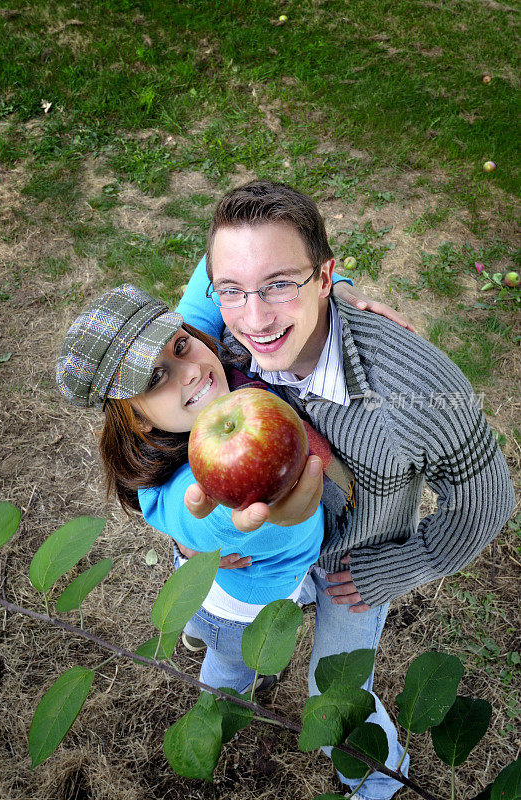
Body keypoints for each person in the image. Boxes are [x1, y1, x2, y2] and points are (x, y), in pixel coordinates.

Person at [176, 179, 516, 799]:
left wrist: (397, 566)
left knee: (331, 697)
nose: (255, 318)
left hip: (353, 561)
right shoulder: (217, 347)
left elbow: (487, 500)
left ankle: (376, 784)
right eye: (234, 291)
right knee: (229, 644)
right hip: (269, 550)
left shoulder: (415, 390)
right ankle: (217, 658)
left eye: (281, 283)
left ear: (326, 275)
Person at [56, 283, 328, 695]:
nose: (191, 371)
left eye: (180, 346)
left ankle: (197, 633)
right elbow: (206, 517)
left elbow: (216, 267)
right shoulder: (183, 484)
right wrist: (238, 504)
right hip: (243, 613)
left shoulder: (205, 363)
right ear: (138, 420)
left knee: (202, 623)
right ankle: (217, 701)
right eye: (155, 378)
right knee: (233, 666)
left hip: (213, 587)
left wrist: (330, 286)